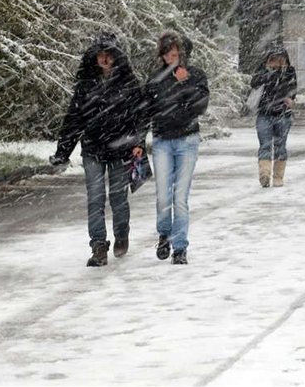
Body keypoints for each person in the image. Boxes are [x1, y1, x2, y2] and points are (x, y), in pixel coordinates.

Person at [50, 32, 144, 267]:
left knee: (118, 198)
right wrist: (63, 151)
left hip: (121, 150)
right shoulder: (85, 86)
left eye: (108, 55)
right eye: (100, 55)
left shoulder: (128, 84)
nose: (104, 59)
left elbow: (139, 117)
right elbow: (74, 119)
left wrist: (138, 144)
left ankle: (121, 234)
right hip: (93, 149)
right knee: (95, 198)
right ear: (93, 58)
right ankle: (98, 245)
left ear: (115, 57)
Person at [141, 31, 209, 264]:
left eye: (177, 54)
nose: (172, 58)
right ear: (162, 55)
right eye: (168, 54)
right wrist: (139, 141)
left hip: (187, 140)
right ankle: (164, 234)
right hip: (162, 140)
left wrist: (186, 83)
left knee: (180, 196)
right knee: (163, 195)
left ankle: (180, 247)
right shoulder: (155, 79)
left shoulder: (196, 75)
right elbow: (145, 111)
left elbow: (201, 105)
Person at [250, 46, 297, 188]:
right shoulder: (263, 71)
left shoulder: (289, 71)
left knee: (280, 146)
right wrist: (269, 72)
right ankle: (264, 174)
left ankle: (278, 176)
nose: (277, 62)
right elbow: (254, 83)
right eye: (274, 59)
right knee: (264, 145)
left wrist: (289, 98)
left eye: (280, 59)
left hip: (283, 114)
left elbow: (292, 88)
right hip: (264, 114)